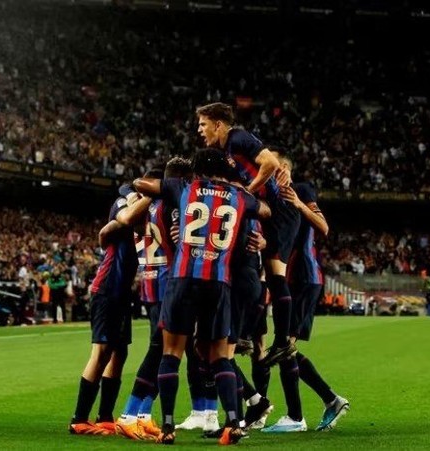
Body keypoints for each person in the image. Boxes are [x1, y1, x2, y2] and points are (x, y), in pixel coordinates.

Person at [133, 148, 271, 445]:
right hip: (218, 282)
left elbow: (140, 184)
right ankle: (233, 422)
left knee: (171, 353)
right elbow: (265, 210)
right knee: (219, 356)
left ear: (198, 170)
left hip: (183, 279)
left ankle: (167, 427)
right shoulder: (239, 196)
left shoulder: (184, 187)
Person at [195, 102, 300, 366]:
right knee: (255, 268)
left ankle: (282, 341)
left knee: (275, 275)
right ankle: (246, 334)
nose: (199, 129)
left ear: (218, 124)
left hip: (280, 211)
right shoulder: (226, 151)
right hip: (267, 214)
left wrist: (247, 192)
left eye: (203, 124)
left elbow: (270, 163)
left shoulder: (238, 137)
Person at [260, 155, 349, 433]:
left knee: (285, 346)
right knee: (285, 347)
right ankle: (324, 402)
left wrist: (298, 203)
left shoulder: (301, 189)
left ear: (283, 167)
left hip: (304, 277)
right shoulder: (271, 197)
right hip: (288, 278)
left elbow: (323, 227)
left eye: (271, 163)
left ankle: (301, 414)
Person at [114, 158, 192, 441]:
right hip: (166, 280)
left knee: (160, 350)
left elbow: (127, 208)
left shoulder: (143, 208)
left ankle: (144, 414)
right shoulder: (169, 206)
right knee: (160, 349)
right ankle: (129, 413)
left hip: (149, 280)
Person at [68, 185, 141, 436]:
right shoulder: (124, 202)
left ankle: (106, 417)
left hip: (122, 293)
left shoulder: (144, 210)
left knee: (119, 353)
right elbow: (121, 221)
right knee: (101, 352)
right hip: (107, 288)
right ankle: (79, 419)